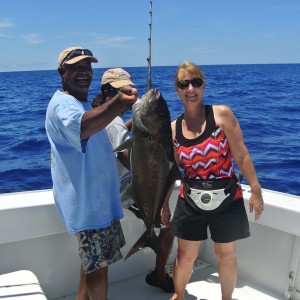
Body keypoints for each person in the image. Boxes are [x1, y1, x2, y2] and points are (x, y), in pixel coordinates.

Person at [45, 47, 137, 300]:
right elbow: (83, 127)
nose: (84, 73)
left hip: (99, 202)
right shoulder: (63, 104)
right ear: (61, 71)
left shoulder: (80, 103)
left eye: (87, 67)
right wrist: (118, 103)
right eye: (76, 68)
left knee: (92, 264)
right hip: (88, 206)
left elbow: (95, 128)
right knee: (98, 270)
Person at [170, 61, 264, 300]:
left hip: (227, 198)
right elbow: (173, 170)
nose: (190, 88)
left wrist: (256, 190)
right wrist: (162, 205)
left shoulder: (221, 114)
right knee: (184, 257)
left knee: (226, 256)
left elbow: (241, 155)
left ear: (204, 86)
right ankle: (178, 295)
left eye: (196, 82)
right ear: (177, 90)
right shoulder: (172, 129)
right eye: (184, 84)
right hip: (190, 199)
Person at [91, 67, 175, 293]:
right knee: (170, 226)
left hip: (103, 188)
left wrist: (137, 129)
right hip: (126, 189)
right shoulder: (116, 123)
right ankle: (159, 274)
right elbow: (126, 155)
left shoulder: (98, 113)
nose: (130, 92)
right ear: (110, 92)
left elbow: (118, 135)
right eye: (122, 89)